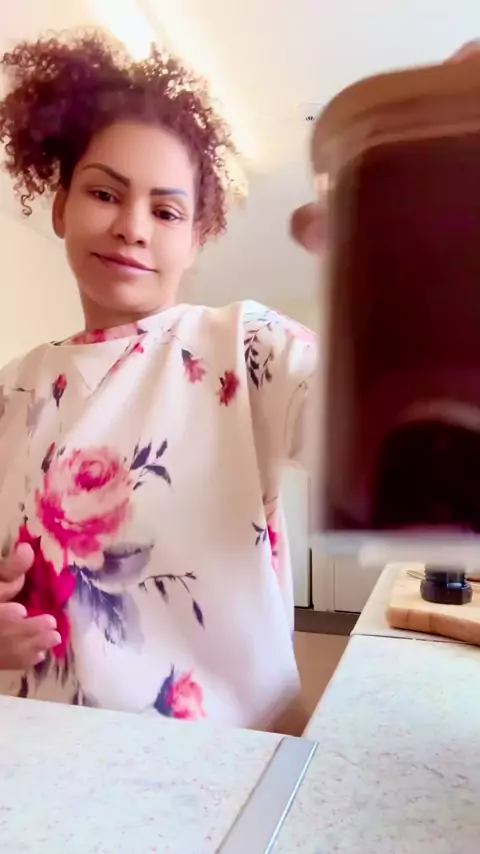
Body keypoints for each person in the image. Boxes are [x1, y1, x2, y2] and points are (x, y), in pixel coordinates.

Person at [0, 32, 317, 733]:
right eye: (104, 193)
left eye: (166, 211)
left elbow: (385, 437)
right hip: (39, 756)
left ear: (196, 237)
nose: (132, 227)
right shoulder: (11, 392)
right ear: (60, 206)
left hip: (220, 766)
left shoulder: (244, 347)